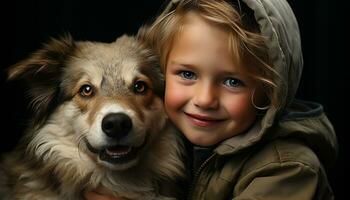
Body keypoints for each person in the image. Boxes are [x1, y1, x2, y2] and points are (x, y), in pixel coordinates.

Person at [85, 0, 338, 199]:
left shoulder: (288, 168)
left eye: (232, 82)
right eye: (187, 74)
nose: (205, 100)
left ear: (271, 91)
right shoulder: (181, 144)